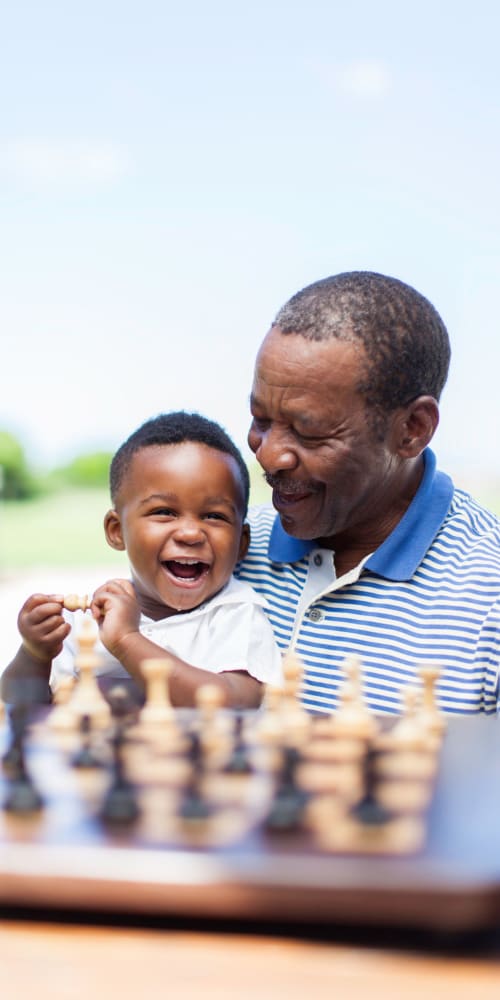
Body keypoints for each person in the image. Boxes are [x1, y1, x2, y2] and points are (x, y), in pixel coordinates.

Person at [235, 271, 500, 715]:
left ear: (413, 429)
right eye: (261, 420)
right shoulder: (226, 551)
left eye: (309, 431)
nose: (270, 455)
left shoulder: (487, 601)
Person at [2, 412, 283, 708]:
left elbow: (236, 702)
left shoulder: (236, 614)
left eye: (214, 516)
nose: (190, 533)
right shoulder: (88, 620)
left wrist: (127, 641)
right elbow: (17, 709)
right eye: (164, 512)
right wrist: (35, 654)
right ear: (116, 531)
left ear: (241, 543)